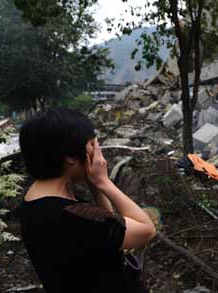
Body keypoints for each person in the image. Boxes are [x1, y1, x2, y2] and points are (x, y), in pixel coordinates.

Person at [18, 108, 156, 293]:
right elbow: (146, 230)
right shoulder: (72, 216)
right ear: (69, 157)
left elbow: (107, 225)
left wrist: (95, 186)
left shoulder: (34, 202)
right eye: (92, 144)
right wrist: (104, 182)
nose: (97, 153)